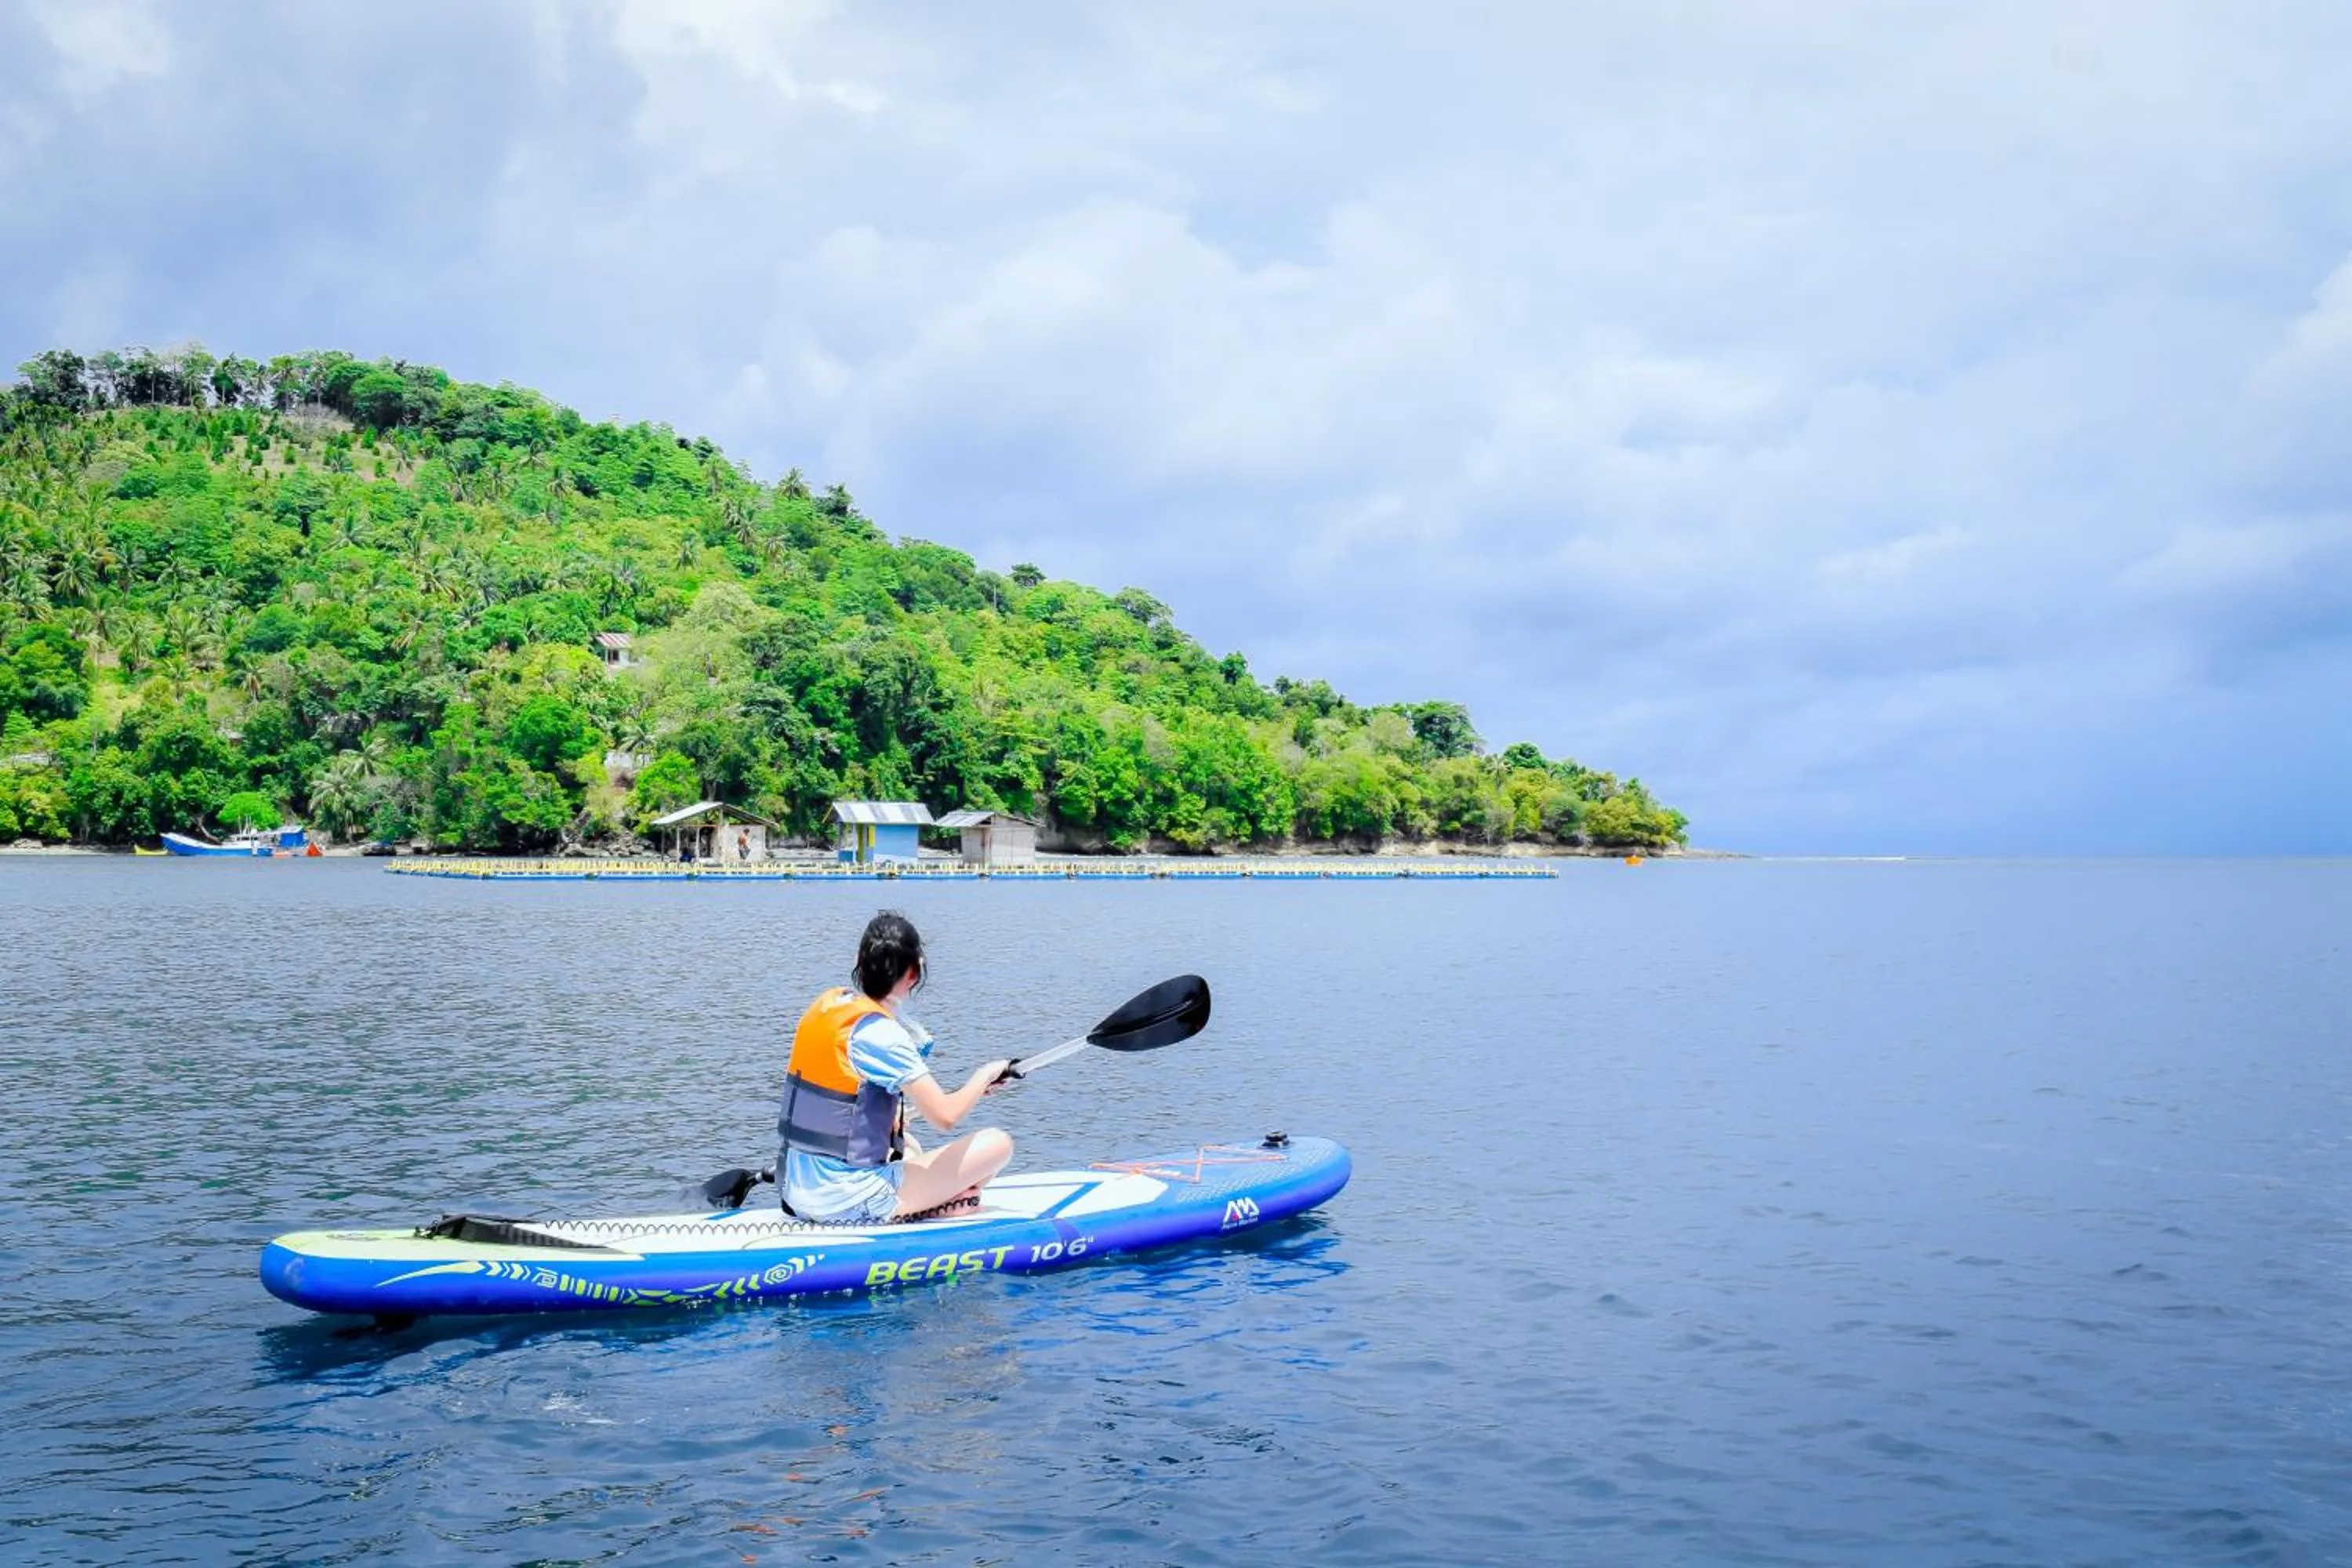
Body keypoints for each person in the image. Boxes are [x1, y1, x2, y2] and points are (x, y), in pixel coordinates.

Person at [777, 912, 1014, 1224]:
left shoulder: (827, 1006)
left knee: (910, 1145)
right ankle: (938, 1206)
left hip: (795, 1191)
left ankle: (939, 1201)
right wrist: (984, 1075)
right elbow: (945, 1117)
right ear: (913, 974)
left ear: (858, 960)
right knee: (998, 1145)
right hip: (847, 1201)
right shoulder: (883, 1035)